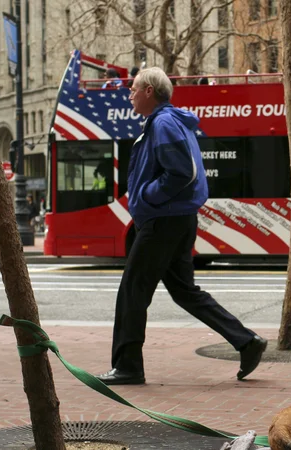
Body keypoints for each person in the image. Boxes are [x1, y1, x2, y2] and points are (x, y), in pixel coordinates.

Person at [97, 67, 267, 386]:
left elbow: (181, 173)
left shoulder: (163, 123)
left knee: (133, 290)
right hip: (176, 219)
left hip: (164, 220)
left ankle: (128, 365)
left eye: (134, 89)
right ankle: (246, 342)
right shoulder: (166, 122)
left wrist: (146, 196)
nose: (129, 94)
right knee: (184, 292)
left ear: (149, 91)